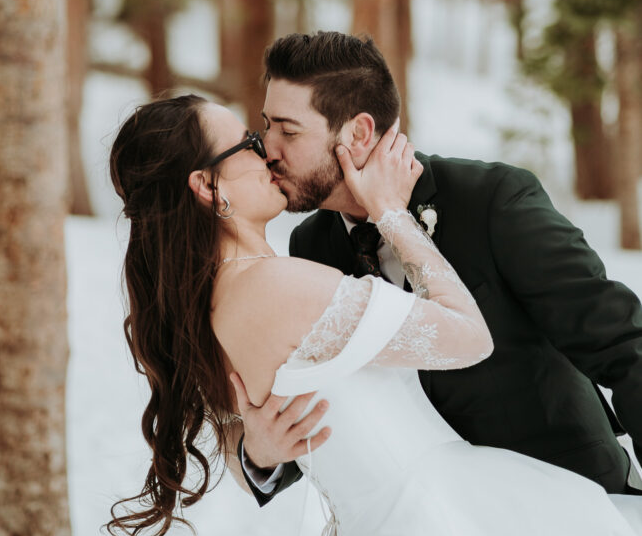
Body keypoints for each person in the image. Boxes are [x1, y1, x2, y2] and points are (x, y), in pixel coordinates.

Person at [107, 92, 642, 536]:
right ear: (205, 186)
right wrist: (393, 215)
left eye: (277, 131)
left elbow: (618, 336)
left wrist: (255, 452)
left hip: (511, 502)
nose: (266, 152)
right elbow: (469, 337)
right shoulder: (283, 279)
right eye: (248, 140)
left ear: (358, 131)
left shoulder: (209, 303)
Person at [234, 31, 642, 509]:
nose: (268, 148)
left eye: (288, 129)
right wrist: (261, 456)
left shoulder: (492, 200)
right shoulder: (311, 246)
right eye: (267, 126)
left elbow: (624, 346)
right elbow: (326, 413)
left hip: (572, 502)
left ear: (359, 134)